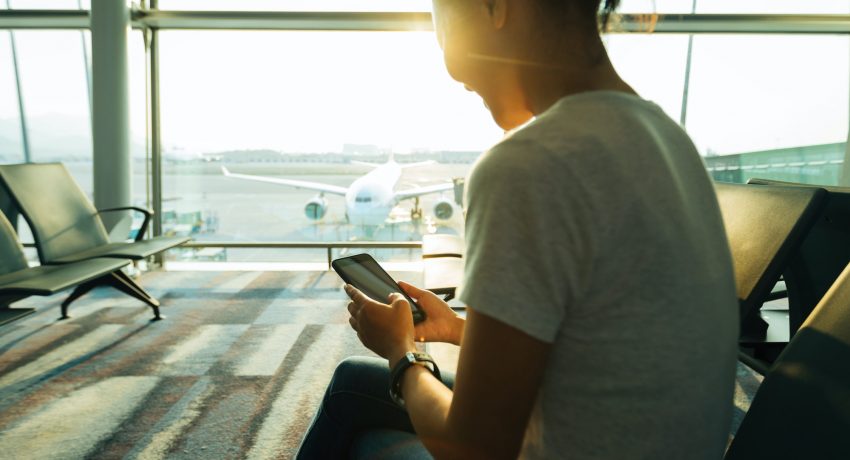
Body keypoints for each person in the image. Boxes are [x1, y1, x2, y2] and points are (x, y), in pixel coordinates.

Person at [296, 0, 739, 458]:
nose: (443, 49)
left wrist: (402, 353)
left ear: (497, 8)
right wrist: (456, 329)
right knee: (353, 380)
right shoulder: (667, 138)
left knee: (361, 430)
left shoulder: (531, 164)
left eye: (439, 18)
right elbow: (610, 343)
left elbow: (473, 449)